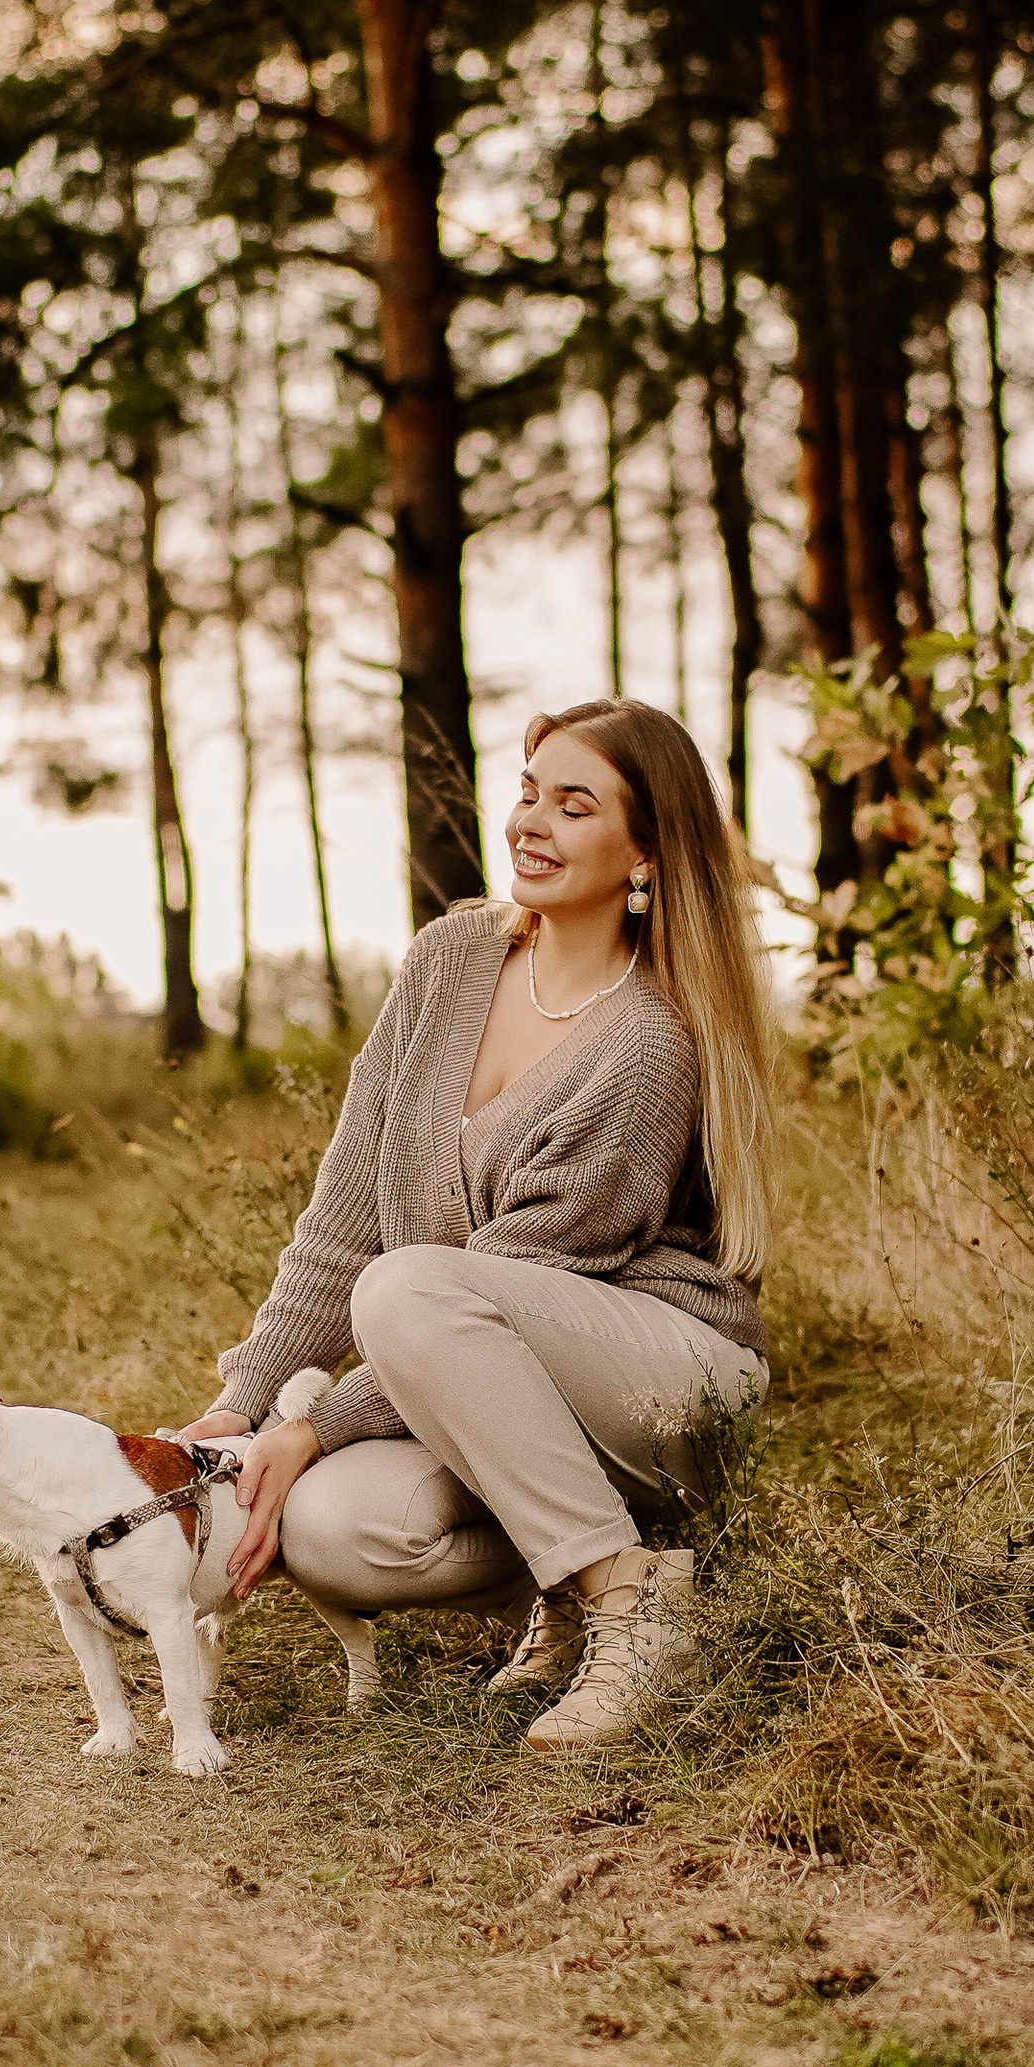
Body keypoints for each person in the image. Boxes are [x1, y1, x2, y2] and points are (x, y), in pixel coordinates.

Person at [179, 697, 778, 1749]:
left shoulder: (645, 1048)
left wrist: (313, 1426)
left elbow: (471, 1287)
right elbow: (344, 1214)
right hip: (498, 1380)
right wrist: (244, 1406)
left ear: (645, 852)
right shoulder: (449, 962)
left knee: (409, 1288)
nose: (529, 823)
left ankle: (627, 1600)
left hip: (662, 1383)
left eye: (573, 804)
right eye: (527, 792)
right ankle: (564, 1578)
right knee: (330, 1532)